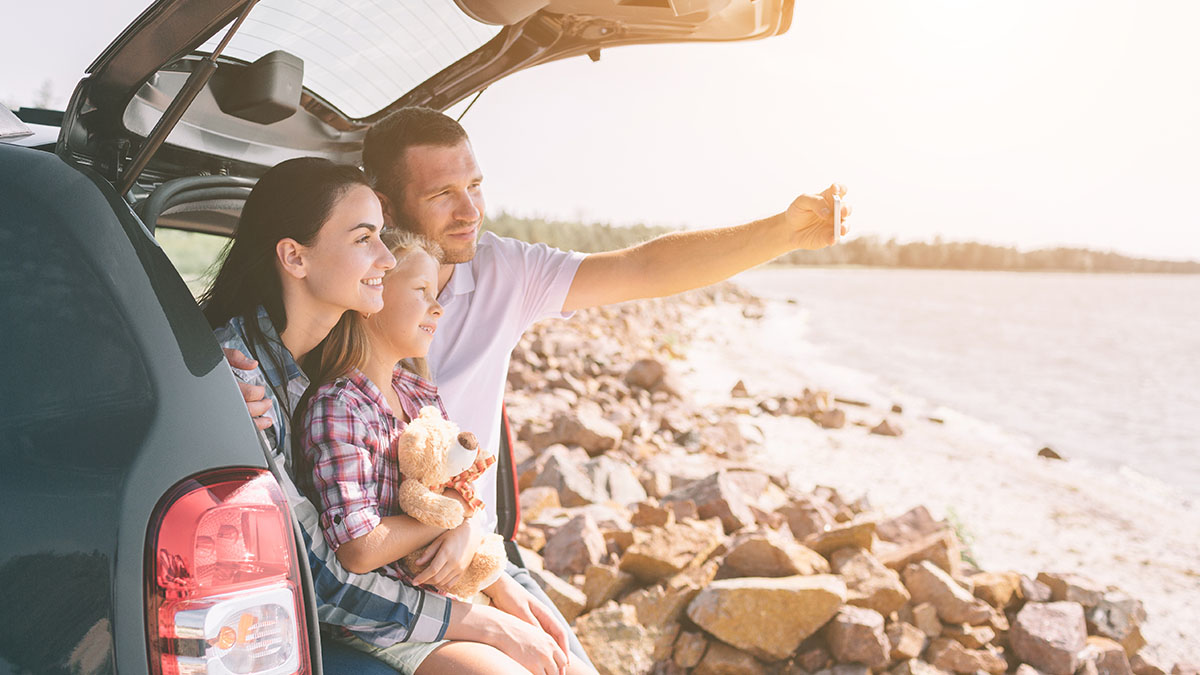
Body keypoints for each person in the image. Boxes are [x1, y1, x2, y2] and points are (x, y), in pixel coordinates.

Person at [206, 157, 574, 674]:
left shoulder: (359, 368)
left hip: (429, 584)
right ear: (294, 257)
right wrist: (475, 621)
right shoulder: (238, 373)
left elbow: (440, 485)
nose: (385, 257)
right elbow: (315, 568)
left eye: (382, 236)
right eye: (363, 239)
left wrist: (476, 544)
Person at [297, 230, 580, 674]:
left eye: (437, 294)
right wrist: (450, 519)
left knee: (568, 665)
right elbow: (360, 548)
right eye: (421, 292)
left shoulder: (417, 394)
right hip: (389, 623)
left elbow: (458, 489)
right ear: (373, 296)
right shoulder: (338, 405)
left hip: (451, 588)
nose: (438, 307)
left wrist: (470, 537)